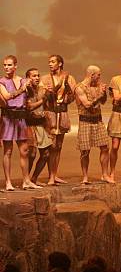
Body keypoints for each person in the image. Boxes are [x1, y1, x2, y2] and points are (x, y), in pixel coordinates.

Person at [0, 55, 41, 190]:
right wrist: (22, 89)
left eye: (9, 65)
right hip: (8, 119)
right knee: (8, 151)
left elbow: (29, 97)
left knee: (24, 151)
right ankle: (8, 183)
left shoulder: (22, 81)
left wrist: (30, 87)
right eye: (5, 65)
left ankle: (26, 181)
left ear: (15, 66)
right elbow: (6, 96)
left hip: (21, 118)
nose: (6, 67)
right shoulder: (1, 82)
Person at [40, 54, 76, 185]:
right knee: (52, 145)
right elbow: (44, 98)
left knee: (59, 146)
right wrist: (56, 87)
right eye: (49, 62)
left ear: (60, 63)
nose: (50, 64)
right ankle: (50, 176)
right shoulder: (44, 79)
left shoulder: (69, 78)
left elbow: (71, 98)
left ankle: (54, 175)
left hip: (63, 113)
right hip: (51, 114)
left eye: (53, 62)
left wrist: (66, 85)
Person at [74, 66, 110, 184]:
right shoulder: (80, 88)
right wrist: (99, 96)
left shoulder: (98, 86)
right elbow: (87, 105)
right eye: (98, 75)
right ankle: (85, 177)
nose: (99, 77)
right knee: (85, 151)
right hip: (85, 121)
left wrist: (103, 93)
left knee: (105, 147)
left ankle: (105, 174)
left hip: (97, 120)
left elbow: (103, 102)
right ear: (92, 75)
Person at [24, 68, 53, 186]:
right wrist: (43, 99)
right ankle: (26, 180)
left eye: (38, 75)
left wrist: (50, 94)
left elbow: (47, 106)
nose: (36, 78)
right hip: (29, 125)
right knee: (31, 154)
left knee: (46, 153)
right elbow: (29, 107)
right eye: (33, 76)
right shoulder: (25, 91)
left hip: (41, 123)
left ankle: (34, 178)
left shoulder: (42, 90)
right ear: (28, 78)